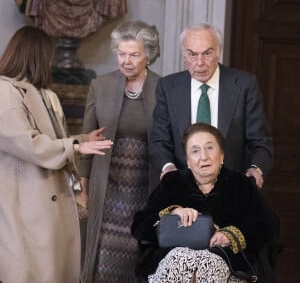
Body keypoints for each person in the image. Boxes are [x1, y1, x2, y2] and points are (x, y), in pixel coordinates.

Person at [0, 26, 113, 283]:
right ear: (36, 55)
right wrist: (76, 147)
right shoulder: (4, 91)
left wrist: (83, 140)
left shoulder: (45, 94)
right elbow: (27, 143)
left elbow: (53, 138)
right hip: (26, 207)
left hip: (47, 205)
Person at [132, 123, 279, 282]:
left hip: (227, 260)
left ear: (221, 155)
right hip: (172, 257)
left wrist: (231, 235)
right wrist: (172, 213)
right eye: (195, 151)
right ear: (188, 160)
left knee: (206, 265)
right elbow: (140, 226)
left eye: (210, 148)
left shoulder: (240, 184)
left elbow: (268, 225)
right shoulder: (172, 183)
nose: (203, 157)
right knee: (179, 262)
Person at [77, 20, 161, 282]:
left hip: (145, 188)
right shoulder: (99, 86)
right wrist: (83, 189)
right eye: (121, 54)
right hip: (107, 188)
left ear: (148, 54)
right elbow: (86, 141)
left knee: (139, 255)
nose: (126, 61)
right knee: (102, 260)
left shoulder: (165, 87)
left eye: (134, 55)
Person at [149, 23, 273, 188]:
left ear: (219, 51)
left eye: (207, 53)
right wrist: (168, 167)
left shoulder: (244, 85)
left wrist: (256, 168)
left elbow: (260, 141)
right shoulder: (168, 87)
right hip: (182, 186)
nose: (199, 62)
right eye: (192, 54)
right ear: (184, 55)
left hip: (232, 187)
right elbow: (159, 140)